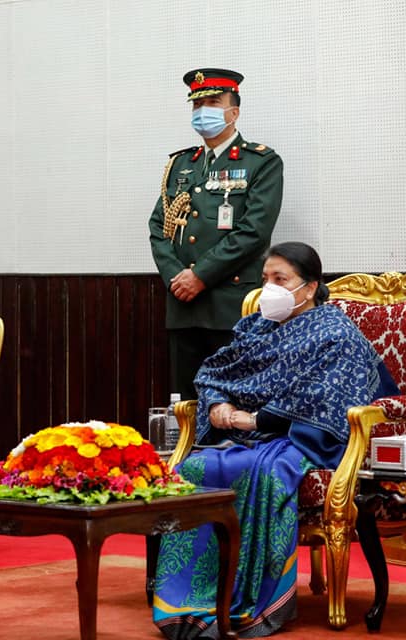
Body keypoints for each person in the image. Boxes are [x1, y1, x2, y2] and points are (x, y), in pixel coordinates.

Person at [152, 242, 398, 638]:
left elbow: (329, 398)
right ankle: (189, 597)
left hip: (304, 440)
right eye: (265, 278)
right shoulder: (256, 327)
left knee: (261, 472)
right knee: (190, 469)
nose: (269, 288)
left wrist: (255, 419)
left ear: (310, 287)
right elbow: (213, 373)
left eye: (280, 279)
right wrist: (218, 404)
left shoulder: (335, 333)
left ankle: (251, 600)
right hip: (244, 436)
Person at [149, 68, 284, 403]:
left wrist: (200, 276)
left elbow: (253, 232)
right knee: (184, 404)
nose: (202, 111)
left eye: (212, 102)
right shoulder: (181, 165)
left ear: (233, 112)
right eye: (197, 105)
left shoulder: (261, 162)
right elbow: (159, 227)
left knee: (232, 403)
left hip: (230, 305)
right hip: (183, 306)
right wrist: (177, 280)